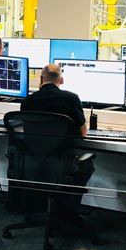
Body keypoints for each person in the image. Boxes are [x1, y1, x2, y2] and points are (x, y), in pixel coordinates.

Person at [19, 64, 89, 224]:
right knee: (86, 165)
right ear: (61, 80)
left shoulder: (28, 101)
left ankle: (40, 208)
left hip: (32, 161)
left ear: (41, 80)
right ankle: (67, 212)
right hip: (61, 162)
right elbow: (83, 133)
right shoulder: (71, 99)